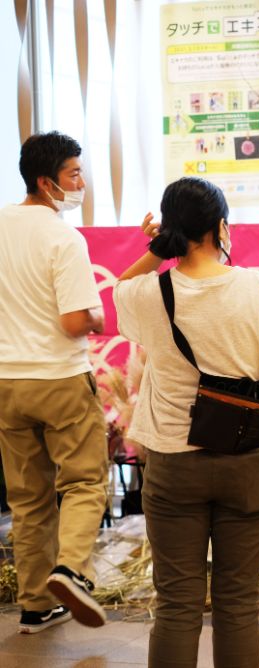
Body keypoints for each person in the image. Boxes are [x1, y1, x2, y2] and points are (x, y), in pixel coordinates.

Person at [113, 177, 259, 667]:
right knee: (238, 607)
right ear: (222, 227)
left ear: (171, 233)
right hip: (248, 464)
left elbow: (119, 288)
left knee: (177, 607)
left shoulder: (152, 292)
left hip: (174, 467)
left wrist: (155, 248)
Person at [0, 131, 108, 634]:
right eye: (73, 174)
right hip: (60, 378)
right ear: (45, 182)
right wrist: (97, 317)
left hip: (7, 382)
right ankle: (71, 570)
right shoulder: (64, 237)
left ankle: (36, 604)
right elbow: (73, 321)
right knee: (85, 481)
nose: (81, 182)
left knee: (28, 500)